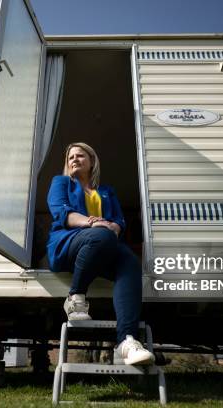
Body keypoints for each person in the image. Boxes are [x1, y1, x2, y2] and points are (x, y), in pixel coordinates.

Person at [46, 142, 155, 365]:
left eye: (80, 156)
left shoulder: (106, 191)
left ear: (92, 161)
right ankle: (75, 297)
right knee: (103, 236)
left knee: (130, 262)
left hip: (103, 244)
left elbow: (118, 220)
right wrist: (92, 222)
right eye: (70, 157)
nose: (74, 159)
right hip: (68, 243)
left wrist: (115, 227)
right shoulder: (61, 182)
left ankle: (127, 341)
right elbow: (61, 214)